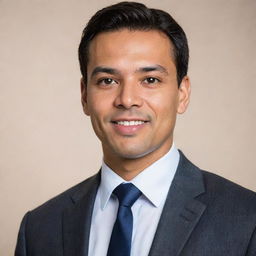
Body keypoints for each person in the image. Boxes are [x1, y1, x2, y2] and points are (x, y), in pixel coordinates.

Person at [15, 2, 256, 256]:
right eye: (107, 81)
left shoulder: (247, 220)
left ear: (182, 94)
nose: (127, 99)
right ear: (85, 95)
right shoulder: (39, 228)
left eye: (150, 80)